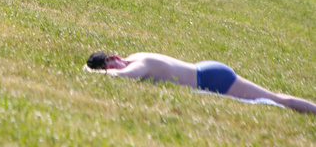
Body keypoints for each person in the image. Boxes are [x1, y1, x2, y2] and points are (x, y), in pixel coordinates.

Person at [86, 51, 316, 115]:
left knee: (276, 100)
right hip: (205, 72)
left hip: (211, 78)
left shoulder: (139, 63)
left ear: (114, 58)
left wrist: (88, 71)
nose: (112, 71)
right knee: (274, 98)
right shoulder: (137, 56)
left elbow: (123, 77)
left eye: (110, 66)